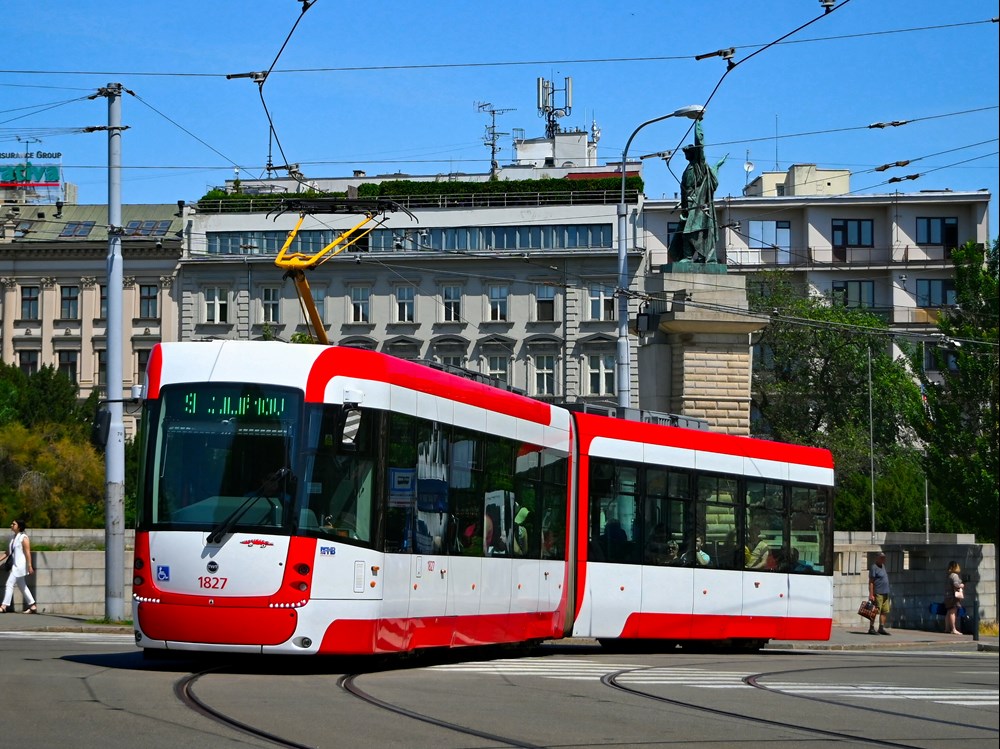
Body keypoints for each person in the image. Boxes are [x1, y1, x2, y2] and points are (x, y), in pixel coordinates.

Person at [1, 518, 38, 614]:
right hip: (15, 565)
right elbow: (8, 552)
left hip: (20, 566)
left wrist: (29, 566)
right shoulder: (13, 538)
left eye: (13, 524)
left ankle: (4, 606)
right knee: (22, 586)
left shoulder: (23, 537)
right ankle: (32, 605)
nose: (11, 525)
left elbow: (27, 553)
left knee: (9, 584)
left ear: (19, 527)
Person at [867, 551, 891, 635]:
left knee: (884, 611)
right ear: (877, 558)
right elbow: (871, 582)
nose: (883, 559)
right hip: (878, 593)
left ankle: (881, 628)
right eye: (881, 558)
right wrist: (871, 594)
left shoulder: (883, 566)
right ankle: (871, 628)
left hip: (886, 593)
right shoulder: (874, 567)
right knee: (874, 611)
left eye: (884, 558)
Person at [943, 560, 964, 635]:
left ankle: (947, 628)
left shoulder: (948, 575)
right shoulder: (955, 575)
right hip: (953, 597)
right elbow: (956, 585)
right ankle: (953, 629)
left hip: (947, 596)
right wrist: (961, 585)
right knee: (953, 612)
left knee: (948, 612)